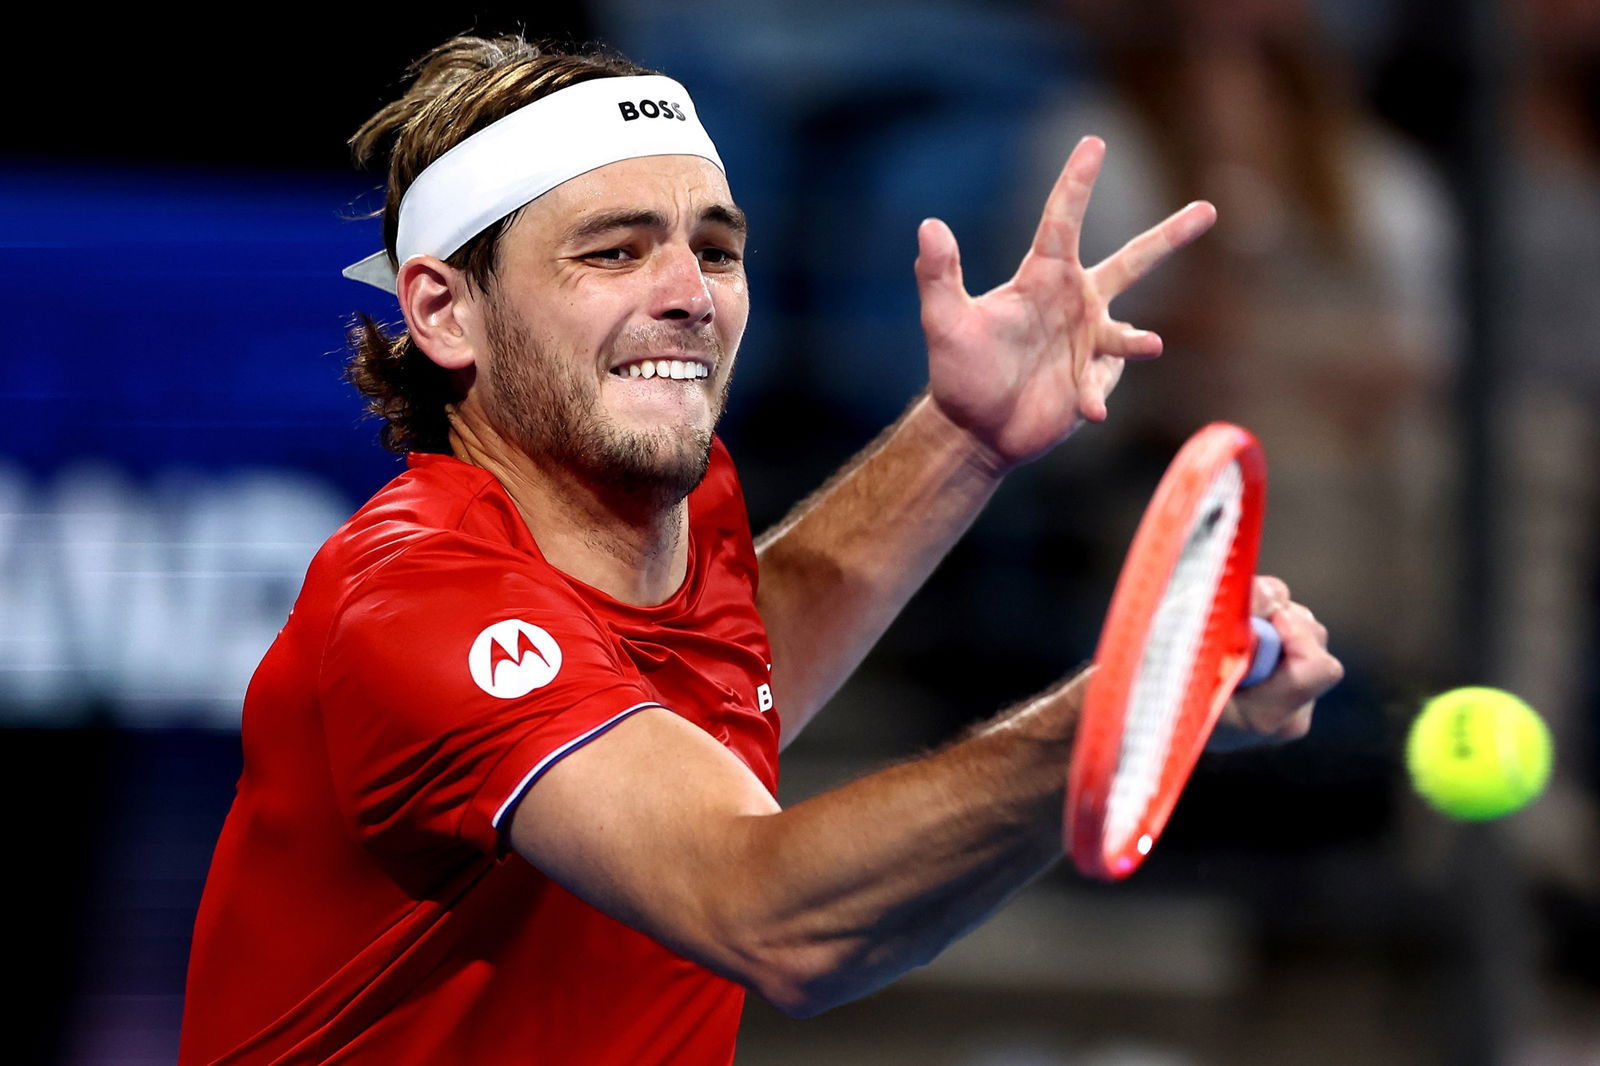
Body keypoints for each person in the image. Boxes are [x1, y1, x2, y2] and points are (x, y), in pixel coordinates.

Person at [178, 33, 1342, 1066]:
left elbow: (723, 669)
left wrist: (966, 440)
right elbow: (769, 914)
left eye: (716, 249)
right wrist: (1120, 709)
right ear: (444, 312)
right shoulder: (418, 600)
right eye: (612, 252)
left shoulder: (672, 504)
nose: (691, 293)